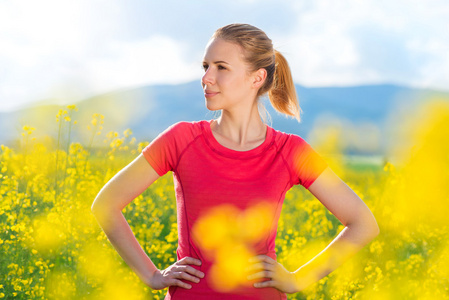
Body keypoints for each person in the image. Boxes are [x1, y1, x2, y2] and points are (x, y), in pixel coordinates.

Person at [91, 23, 379, 299]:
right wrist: (152, 276)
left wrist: (298, 279)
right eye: (205, 67)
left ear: (257, 78)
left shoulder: (290, 151)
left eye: (221, 68)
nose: (206, 78)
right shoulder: (180, 139)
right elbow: (105, 204)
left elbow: (363, 223)